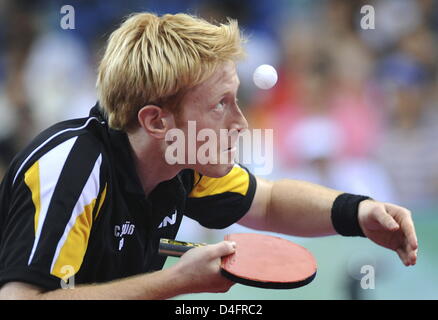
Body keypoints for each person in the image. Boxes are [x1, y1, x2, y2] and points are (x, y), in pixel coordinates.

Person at [0, 13, 417, 300]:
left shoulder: (184, 164)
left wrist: (358, 213)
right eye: (221, 105)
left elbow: (268, 202)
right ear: (156, 121)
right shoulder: (69, 170)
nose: (240, 122)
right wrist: (175, 283)